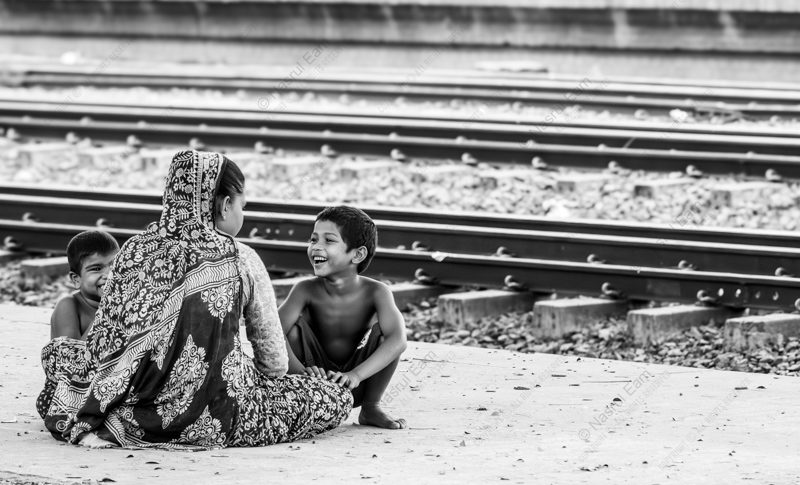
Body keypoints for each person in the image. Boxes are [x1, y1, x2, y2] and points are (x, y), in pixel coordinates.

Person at [41, 150, 352, 449]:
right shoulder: (241, 258)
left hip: (129, 406)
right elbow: (273, 364)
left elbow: (107, 341)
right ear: (227, 204)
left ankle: (114, 425)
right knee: (336, 398)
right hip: (218, 413)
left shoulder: (135, 250)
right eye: (243, 205)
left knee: (67, 361)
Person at [280, 206, 408, 430]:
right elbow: (271, 333)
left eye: (329, 241)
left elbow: (399, 340)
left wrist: (356, 375)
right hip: (309, 380)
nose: (316, 247)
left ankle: (371, 407)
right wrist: (301, 372)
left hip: (354, 383)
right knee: (291, 330)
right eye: (313, 240)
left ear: (357, 254)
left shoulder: (377, 292)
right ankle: (300, 404)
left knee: (385, 337)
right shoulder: (304, 289)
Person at [36, 230, 119, 419]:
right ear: (76, 279)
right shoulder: (69, 305)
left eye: (115, 266)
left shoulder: (128, 304)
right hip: (70, 393)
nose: (109, 275)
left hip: (111, 389)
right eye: (96, 269)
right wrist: (107, 307)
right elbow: (72, 363)